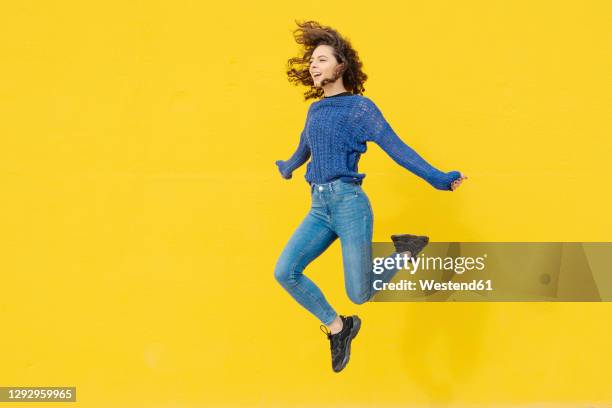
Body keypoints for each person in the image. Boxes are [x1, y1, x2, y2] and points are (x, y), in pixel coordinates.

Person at [274, 20, 467, 373]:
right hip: (319, 208)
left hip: (349, 204)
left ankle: (403, 251)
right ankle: (339, 327)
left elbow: (398, 149)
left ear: (341, 66)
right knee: (285, 271)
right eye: (312, 61)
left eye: (321, 59)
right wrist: (287, 167)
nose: (313, 65)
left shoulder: (361, 109)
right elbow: (304, 148)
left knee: (359, 294)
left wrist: (439, 178)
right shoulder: (315, 110)